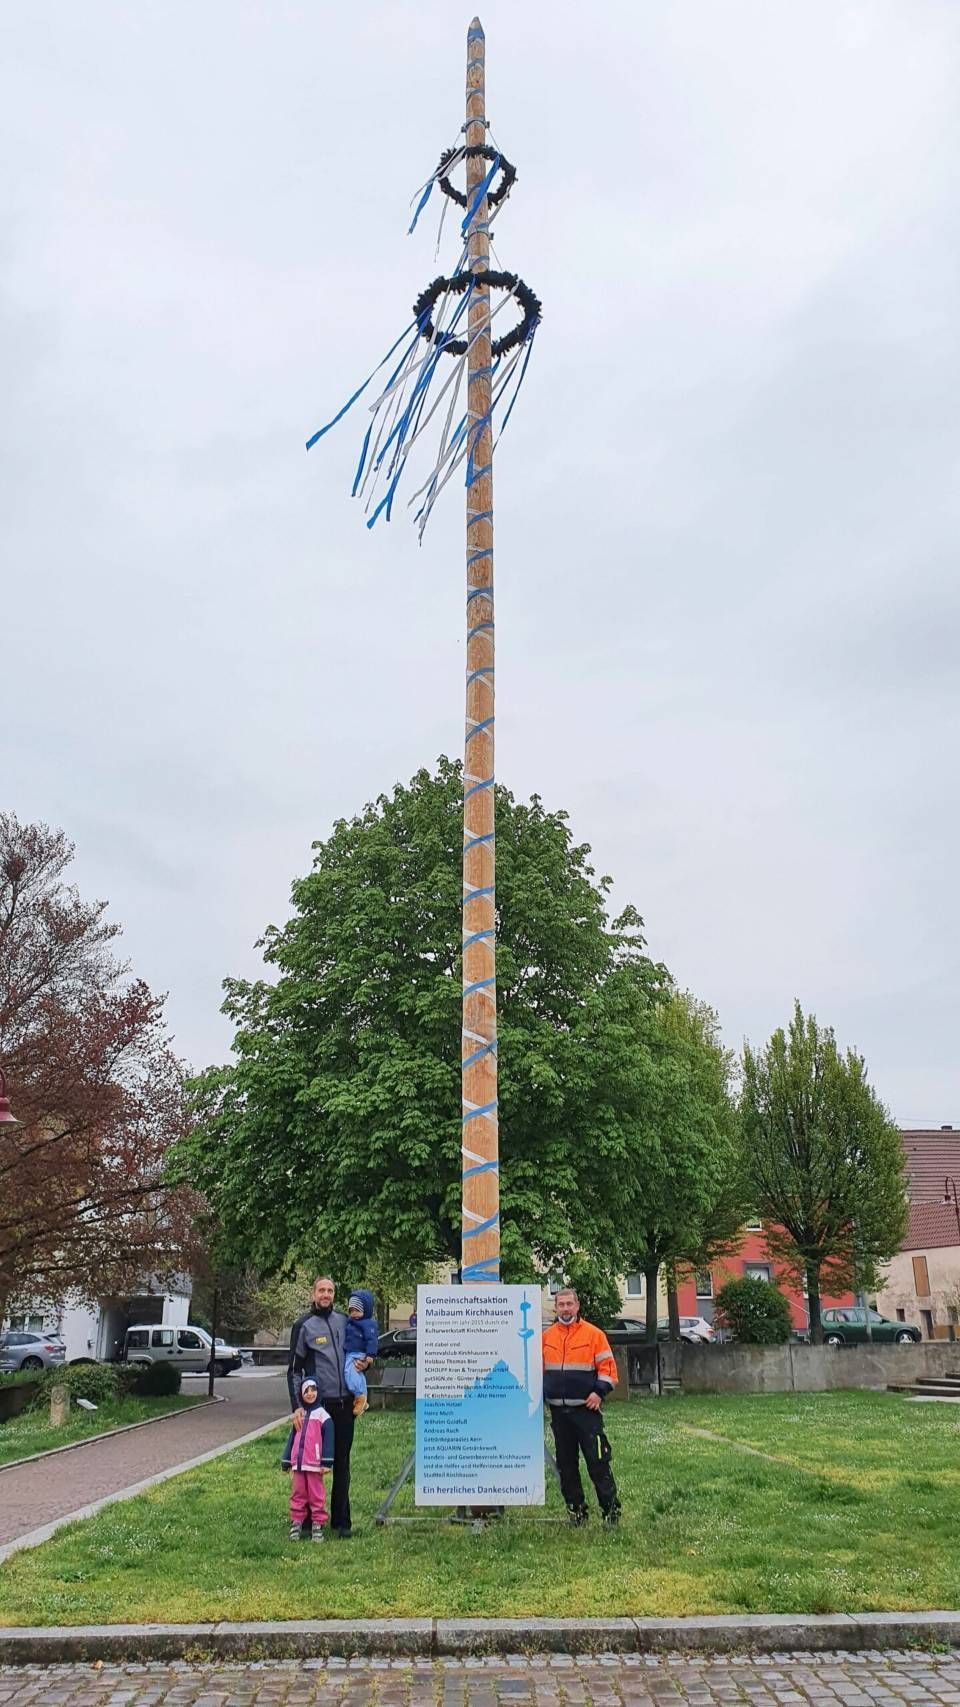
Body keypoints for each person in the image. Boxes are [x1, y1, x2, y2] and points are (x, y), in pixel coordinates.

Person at [287, 1275, 372, 1538]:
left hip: (345, 1404)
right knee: (313, 1466)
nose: (326, 1295)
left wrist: (367, 1363)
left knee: (342, 1463)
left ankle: (342, 1521)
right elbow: (293, 1370)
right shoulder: (304, 1326)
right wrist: (298, 1406)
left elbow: (361, 1350)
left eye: (330, 1291)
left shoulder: (344, 1322)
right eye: (321, 1290)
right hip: (318, 1410)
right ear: (314, 1294)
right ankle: (309, 1520)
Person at [542, 1286, 621, 1526]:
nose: (565, 1309)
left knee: (598, 1463)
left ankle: (611, 1513)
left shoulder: (594, 1335)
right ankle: (576, 1513)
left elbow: (609, 1370)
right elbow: (537, 1371)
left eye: (569, 1304)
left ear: (577, 1306)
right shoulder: (546, 1337)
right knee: (567, 1467)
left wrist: (599, 1393)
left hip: (587, 1412)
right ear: (556, 1308)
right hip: (559, 1414)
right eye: (561, 1304)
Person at [287, 1376, 333, 1542]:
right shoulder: (300, 1415)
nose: (310, 1393)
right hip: (298, 1464)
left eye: (313, 1390)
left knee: (316, 1494)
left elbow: (328, 1440)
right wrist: (287, 1459)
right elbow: (292, 1438)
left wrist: (327, 1461)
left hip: (314, 1464)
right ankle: (296, 1522)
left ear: (318, 1392)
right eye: (306, 1391)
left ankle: (317, 1524)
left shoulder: (323, 1415)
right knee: (298, 1493)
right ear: (301, 1394)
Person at [343, 1290, 379, 1417]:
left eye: (357, 1311)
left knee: (349, 1373)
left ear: (366, 1310)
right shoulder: (350, 1321)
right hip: (353, 1352)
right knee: (358, 1375)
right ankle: (363, 1398)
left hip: (357, 1353)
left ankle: (359, 1396)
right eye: (351, 1311)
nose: (354, 1314)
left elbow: (372, 1340)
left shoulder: (368, 1324)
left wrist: (370, 1355)